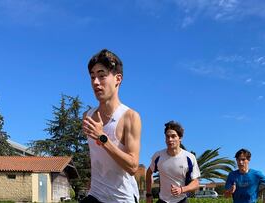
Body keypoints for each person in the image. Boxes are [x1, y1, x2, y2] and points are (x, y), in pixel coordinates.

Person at [81, 49, 142, 203]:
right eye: (92, 77)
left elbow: (133, 166)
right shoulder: (88, 116)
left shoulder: (130, 117)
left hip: (121, 198)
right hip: (96, 195)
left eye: (102, 76)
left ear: (118, 79)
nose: (95, 82)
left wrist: (102, 138)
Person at [145, 121, 201, 203]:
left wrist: (181, 189)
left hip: (181, 200)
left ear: (180, 138)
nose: (170, 139)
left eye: (173, 136)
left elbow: (196, 183)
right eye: (167, 137)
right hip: (163, 201)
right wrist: (149, 194)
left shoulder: (189, 157)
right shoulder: (158, 156)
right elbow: (149, 172)